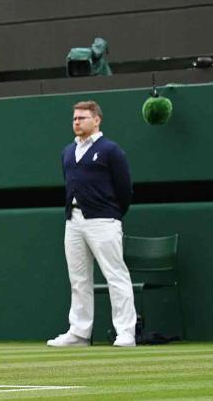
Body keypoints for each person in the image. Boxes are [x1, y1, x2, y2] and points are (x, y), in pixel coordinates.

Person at [47, 101, 137, 348]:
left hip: (103, 220)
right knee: (78, 279)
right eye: (75, 118)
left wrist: (113, 214)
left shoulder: (111, 150)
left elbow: (124, 188)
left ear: (97, 120)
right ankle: (79, 332)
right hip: (73, 221)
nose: (77, 122)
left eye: (83, 118)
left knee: (115, 275)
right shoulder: (67, 152)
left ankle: (126, 332)